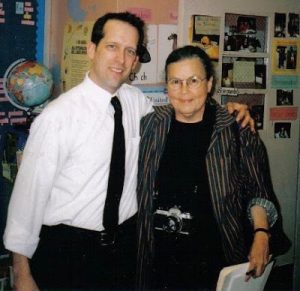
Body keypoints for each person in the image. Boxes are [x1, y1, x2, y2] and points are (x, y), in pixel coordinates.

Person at [3, 12, 252, 290]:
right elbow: (27, 198)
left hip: (126, 248)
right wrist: (22, 273)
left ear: (135, 60)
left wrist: (227, 112)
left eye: (130, 51)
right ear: (92, 49)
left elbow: (185, 108)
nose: (121, 59)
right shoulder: (57, 117)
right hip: (69, 251)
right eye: (112, 47)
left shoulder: (136, 103)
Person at [136, 45, 279, 290]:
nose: (184, 91)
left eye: (193, 80)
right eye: (175, 81)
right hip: (157, 263)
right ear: (166, 86)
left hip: (214, 262)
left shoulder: (236, 129)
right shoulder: (149, 125)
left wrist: (261, 233)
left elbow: (258, 191)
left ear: (209, 84)